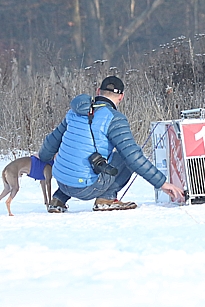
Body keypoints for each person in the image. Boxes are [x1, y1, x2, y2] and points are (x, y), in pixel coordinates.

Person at [39, 76, 185, 212]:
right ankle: (106, 198)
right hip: (87, 187)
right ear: (121, 97)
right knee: (123, 157)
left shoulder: (73, 112)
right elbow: (133, 157)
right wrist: (162, 183)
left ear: (98, 92)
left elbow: (50, 145)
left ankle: (58, 199)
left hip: (61, 181)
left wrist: (42, 158)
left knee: (76, 153)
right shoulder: (114, 118)